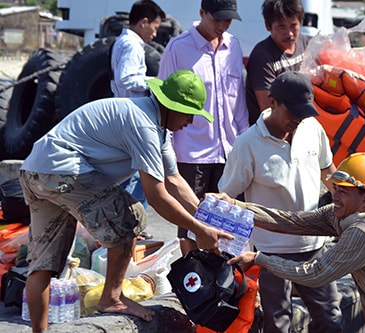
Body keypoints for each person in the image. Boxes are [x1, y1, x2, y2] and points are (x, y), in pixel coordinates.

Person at [19, 70, 233, 333]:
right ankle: (112, 297)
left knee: (45, 264)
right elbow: (156, 196)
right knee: (131, 217)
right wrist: (200, 231)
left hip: (35, 171)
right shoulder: (144, 124)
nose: (190, 121)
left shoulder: (158, 128)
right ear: (170, 106)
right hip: (63, 170)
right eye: (188, 113)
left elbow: (174, 181)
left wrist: (208, 218)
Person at [215, 152, 365, 332]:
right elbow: (291, 221)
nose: (335, 195)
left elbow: (315, 274)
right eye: (335, 187)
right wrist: (237, 207)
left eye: (344, 191)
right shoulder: (341, 215)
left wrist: (259, 259)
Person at [218, 71, 342, 332]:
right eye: (293, 111)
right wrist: (230, 249)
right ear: (272, 102)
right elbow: (227, 198)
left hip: (314, 244)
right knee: (278, 322)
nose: (298, 118)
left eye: (304, 112)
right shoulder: (247, 144)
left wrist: (350, 207)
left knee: (330, 316)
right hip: (269, 250)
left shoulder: (312, 129)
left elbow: (328, 172)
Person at [157, 0, 249, 254]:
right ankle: (193, 284)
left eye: (228, 20)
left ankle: (224, 283)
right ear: (201, 13)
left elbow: (238, 101)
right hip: (191, 153)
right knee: (191, 224)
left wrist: (243, 144)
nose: (222, 25)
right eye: (217, 19)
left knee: (229, 222)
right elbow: (163, 103)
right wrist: (167, 152)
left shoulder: (233, 47)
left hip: (228, 152)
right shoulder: (178, 48)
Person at [110, 0, 166, 210]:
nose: (154, 33)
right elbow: (125, 78)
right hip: (131, 115)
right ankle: (130, 220)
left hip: (124, 113)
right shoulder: (132, 44)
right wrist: (153, 82)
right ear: (144, 22)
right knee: (136, 175)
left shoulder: (124, 41)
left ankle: (125, 219)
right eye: (155, 27)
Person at [245, 0, 309, 125]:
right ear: (268, 26)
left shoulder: (304, 43)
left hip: (299, 123)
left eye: (293, 25)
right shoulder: (262, 57)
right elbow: (269, 112)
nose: (289, 33)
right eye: (281, 27)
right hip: (269, 133)